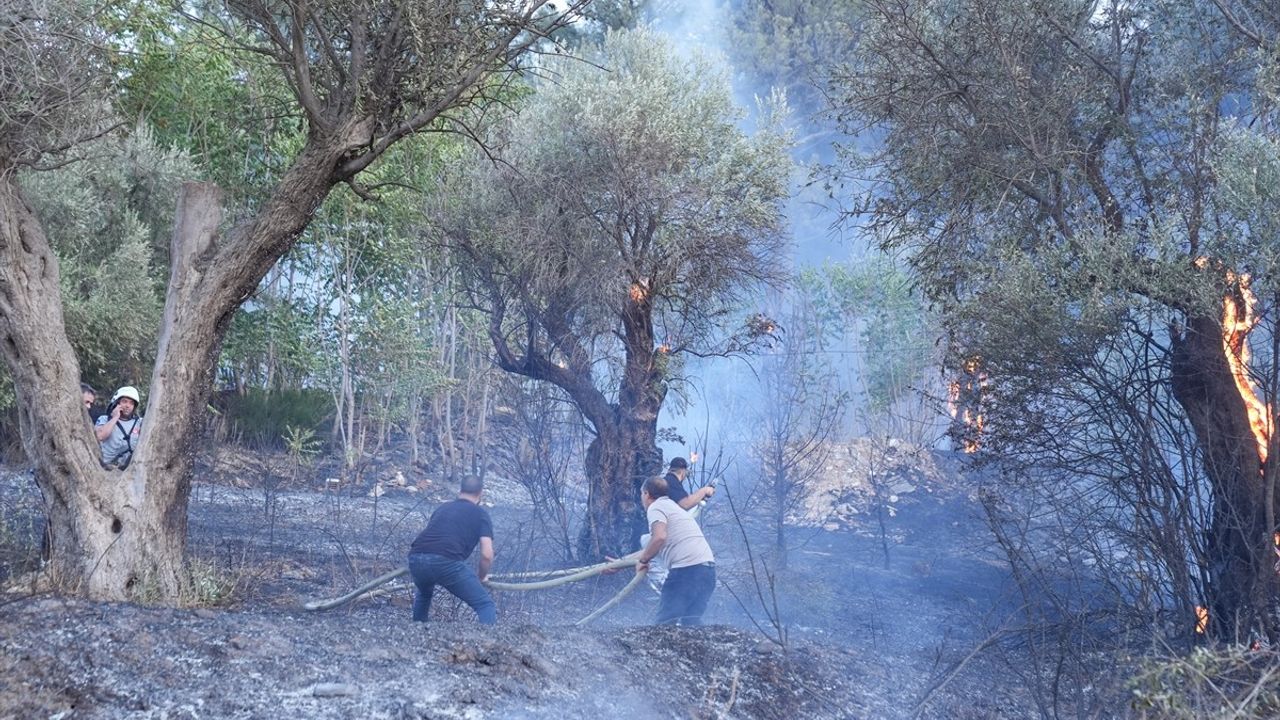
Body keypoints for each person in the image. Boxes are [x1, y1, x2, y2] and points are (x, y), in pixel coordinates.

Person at [407, 475, 496, 624]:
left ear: (460, 490)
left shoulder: (443, 508)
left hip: (416, 558)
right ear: (480, 493)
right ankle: (487, 643)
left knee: (424, 594)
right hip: (445, 562)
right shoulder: (480, 514)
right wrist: (481, 576)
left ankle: (416, 633)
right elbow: (487, 555)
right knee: (485, 604)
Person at [637, 475, 716, 625]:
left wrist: (643, 561)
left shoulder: (656, 507)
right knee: (691, 624)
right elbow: (655, 544)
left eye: (642, 494)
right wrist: (617, 564)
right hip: (708, 571)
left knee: (665, 623)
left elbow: (659, 537)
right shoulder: (675, 509)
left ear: (647, 494)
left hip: (687, 572)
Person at [95, 386, 143, 469]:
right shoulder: (104, 419)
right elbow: (100, 436)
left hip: (127, 471)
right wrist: (115, 417)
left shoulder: (139, 423)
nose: (128, 405)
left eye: (131, 403)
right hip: (102, 468)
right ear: (117, 403)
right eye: (124, 401)